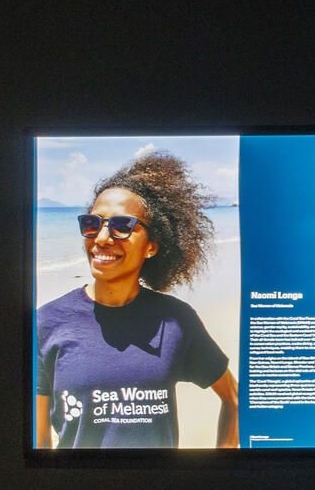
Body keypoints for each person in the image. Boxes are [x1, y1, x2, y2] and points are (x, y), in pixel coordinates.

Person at [34, 149, 239, 449]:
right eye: (93, 223)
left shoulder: (175, 321)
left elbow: (233, 398)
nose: (102, 238)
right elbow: (38, 440)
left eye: (121, 226)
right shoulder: (47, 323)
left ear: (152, 246)